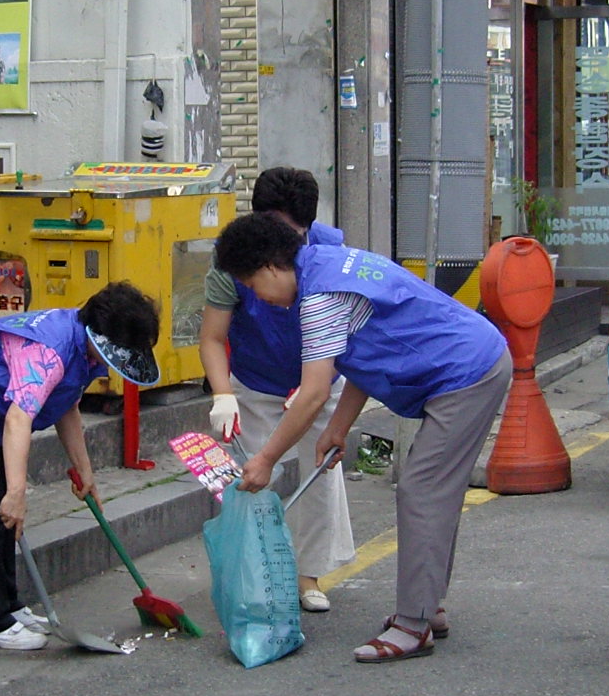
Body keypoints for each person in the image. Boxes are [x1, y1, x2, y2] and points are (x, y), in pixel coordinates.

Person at [213, 215, 509, 664]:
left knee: (423, 490)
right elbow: (364, 352)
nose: (259, 298)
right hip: (468, 362)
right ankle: (428, 607)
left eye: (253, 285)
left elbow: (312, 393)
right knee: (433, 492)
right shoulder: (327, 263)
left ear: (271, 267)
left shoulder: (318, 297)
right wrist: (339, 428)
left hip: (465, 373)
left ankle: (414, 625)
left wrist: (267, 459)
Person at [0, 284, 161, 651]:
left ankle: (9, 607)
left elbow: (66, 405)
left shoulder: (85, 351)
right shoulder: (49, 350)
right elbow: (19, 419)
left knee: (1, 512)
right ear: (100, 334)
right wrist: (17, 493)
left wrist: (86, 472)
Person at [198, 168, 356, 613]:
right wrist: (222, 393)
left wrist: (314, 387)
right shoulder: (235, 257)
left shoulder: (331, 253)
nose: (275, 244)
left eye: (286, 233)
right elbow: (212, 337)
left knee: (320, 476)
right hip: (255, 381)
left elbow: (350, 333)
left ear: (305, 227)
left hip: (317, 381)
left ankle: (308, 577)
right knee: (245, 481)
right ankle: (249, 572)